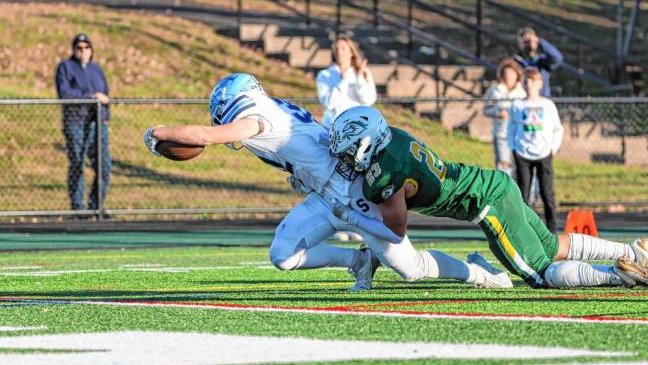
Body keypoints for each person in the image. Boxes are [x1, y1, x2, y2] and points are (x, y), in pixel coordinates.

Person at [144, 73, 512, 292]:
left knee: (411, 269)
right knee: (283, 256)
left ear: (233, 102)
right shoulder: (271, 109)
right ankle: (358, 262)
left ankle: (481, 273)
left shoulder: (256, 116)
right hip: (326, 194)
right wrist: (301, 175)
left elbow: (208, 136)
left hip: (353, 193)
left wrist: (156, 133)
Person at [328, 105, 648, 289]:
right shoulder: (393, 137)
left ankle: (617, 275)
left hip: (487, 203)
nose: (345, 159)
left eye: (348, 151)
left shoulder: (383, 173)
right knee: (552, 246)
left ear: (367, 144)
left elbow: (395, 230)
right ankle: (633, 251)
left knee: (541, 274)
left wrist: (351, 217)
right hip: (497, 183)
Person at [56, 33, 111, 214]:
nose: (83, 51)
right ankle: (78, 209)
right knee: (77, 163)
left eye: (87, 47)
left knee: (104, 166)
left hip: (97, 123)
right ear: (74, 50)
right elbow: (65, 94)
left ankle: (96, 206)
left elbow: (105, 95)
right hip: (76, 122)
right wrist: (91, 98)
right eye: (79, 48)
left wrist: (104, 116)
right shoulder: (66, 67)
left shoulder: (96, 69)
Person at [508, 67, 564, 233]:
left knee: (547, 194)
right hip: (522, 154)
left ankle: (552, 232)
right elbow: (511, 128)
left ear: (540, 83)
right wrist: (514, 147)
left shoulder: (547, 105)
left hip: (544, 154)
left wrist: (553, 148)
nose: (528, 84)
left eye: (532, 80)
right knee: (523, 195)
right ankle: (522, 231)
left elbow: (558, 129)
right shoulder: (517, 105)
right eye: (525, 80)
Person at [316, 35, 377, 129]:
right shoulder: (325, 75)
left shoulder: (364, 72)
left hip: (358, 129)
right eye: (336, 49)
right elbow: (329, 104)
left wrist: (359, 78)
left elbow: (368, 100)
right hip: (332, 130)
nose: (339, 52)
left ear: (351, 52)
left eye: (343, 49)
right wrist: (343, 81)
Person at [483, 58, 526, 176]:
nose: (509, 77)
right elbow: (486, 109)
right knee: (504, 166)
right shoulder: (495, 89)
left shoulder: (522, 90)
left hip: (519, 134)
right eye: (506, 74)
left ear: (516, 75)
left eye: (511, 74)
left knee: (521, 167)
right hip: (501, 133)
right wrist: (498, 112)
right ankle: (504, 193)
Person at [513, 27, 563, 97]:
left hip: (542, 99)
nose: (529, 44)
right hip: (521, 99)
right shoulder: (515, 62)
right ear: (520, 43)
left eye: (531, 41)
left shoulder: (542, 61)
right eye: (526, 42)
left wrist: (539, 41)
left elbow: (557, 57)